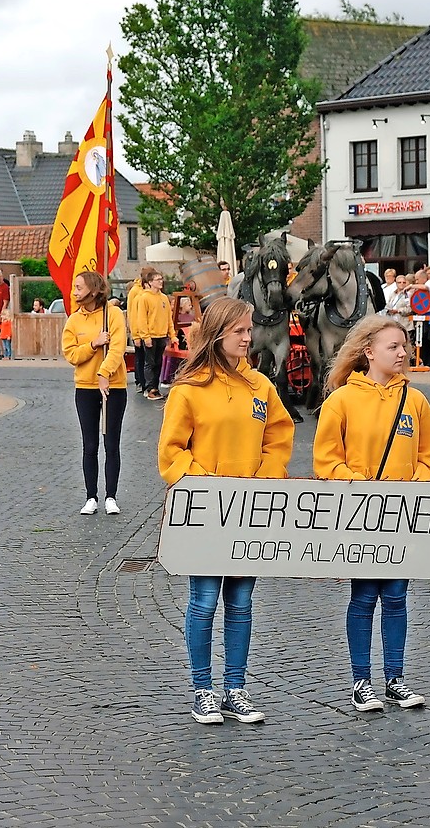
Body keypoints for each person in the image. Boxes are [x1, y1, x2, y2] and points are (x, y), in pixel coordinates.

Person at [158, 297, 294, 725]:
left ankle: (235, 688)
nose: (246, 336)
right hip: (205, 512)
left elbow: (278, 437)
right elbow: (171, 452)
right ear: (217, 333)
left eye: (248, 328)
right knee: (202, 602)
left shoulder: (261, 387)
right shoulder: (190, 389)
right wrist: (204, 485)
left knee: (241, 602)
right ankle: (203, 689)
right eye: (238, 330)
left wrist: (266, 479)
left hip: (249, 510)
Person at [313, 314, 430, 713]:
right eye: (393, 347)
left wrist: (414, 485)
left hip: (401, 515)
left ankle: (396, 679)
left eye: (404, 346)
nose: (403, 353)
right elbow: (326, 459)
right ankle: (361, 681)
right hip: (359, 514)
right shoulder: (341, 401)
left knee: (398, 596)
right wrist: (355, 482)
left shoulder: (415, 401)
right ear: (369, 352)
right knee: (365, 595)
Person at [62, 271, 128, 517]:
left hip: (114, 386)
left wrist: (105, 372)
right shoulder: (73, 321)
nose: (74, 291)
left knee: (112, 443)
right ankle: (91, 496)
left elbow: (118, 347)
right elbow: (71, 355)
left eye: (78, 287)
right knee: (90, 445)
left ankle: (111, 496)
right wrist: (93, 344)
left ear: (93, 289)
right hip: (85, 388)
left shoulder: (113, 314)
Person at [132, 268, 176, 400]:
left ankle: (155, 388)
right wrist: (145, 337)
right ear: (150, 282)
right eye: (157, 280)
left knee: (158, 363)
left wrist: (172, 335)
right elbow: (141, 319)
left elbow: (169, 318)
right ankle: (149, 388)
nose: (161, 282)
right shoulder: (144, 298)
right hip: (150, 336)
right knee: (149, 363)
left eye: (161, 279)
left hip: (162, 335)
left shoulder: (163, 298)